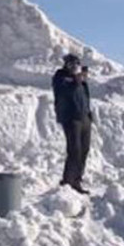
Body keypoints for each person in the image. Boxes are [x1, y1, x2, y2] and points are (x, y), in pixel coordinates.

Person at [52, 54, 93, 194]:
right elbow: (64, 90)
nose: (74, 67)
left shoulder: (80, 80)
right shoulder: (60, 77)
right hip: (71, 118)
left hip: (84, 117)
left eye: (76, 64)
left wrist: (88, 112)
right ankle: (68, 181)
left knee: (84, 150)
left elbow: (85, 96)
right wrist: (77, 79)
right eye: (71, 64)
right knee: (74, 150)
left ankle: (77, 180)